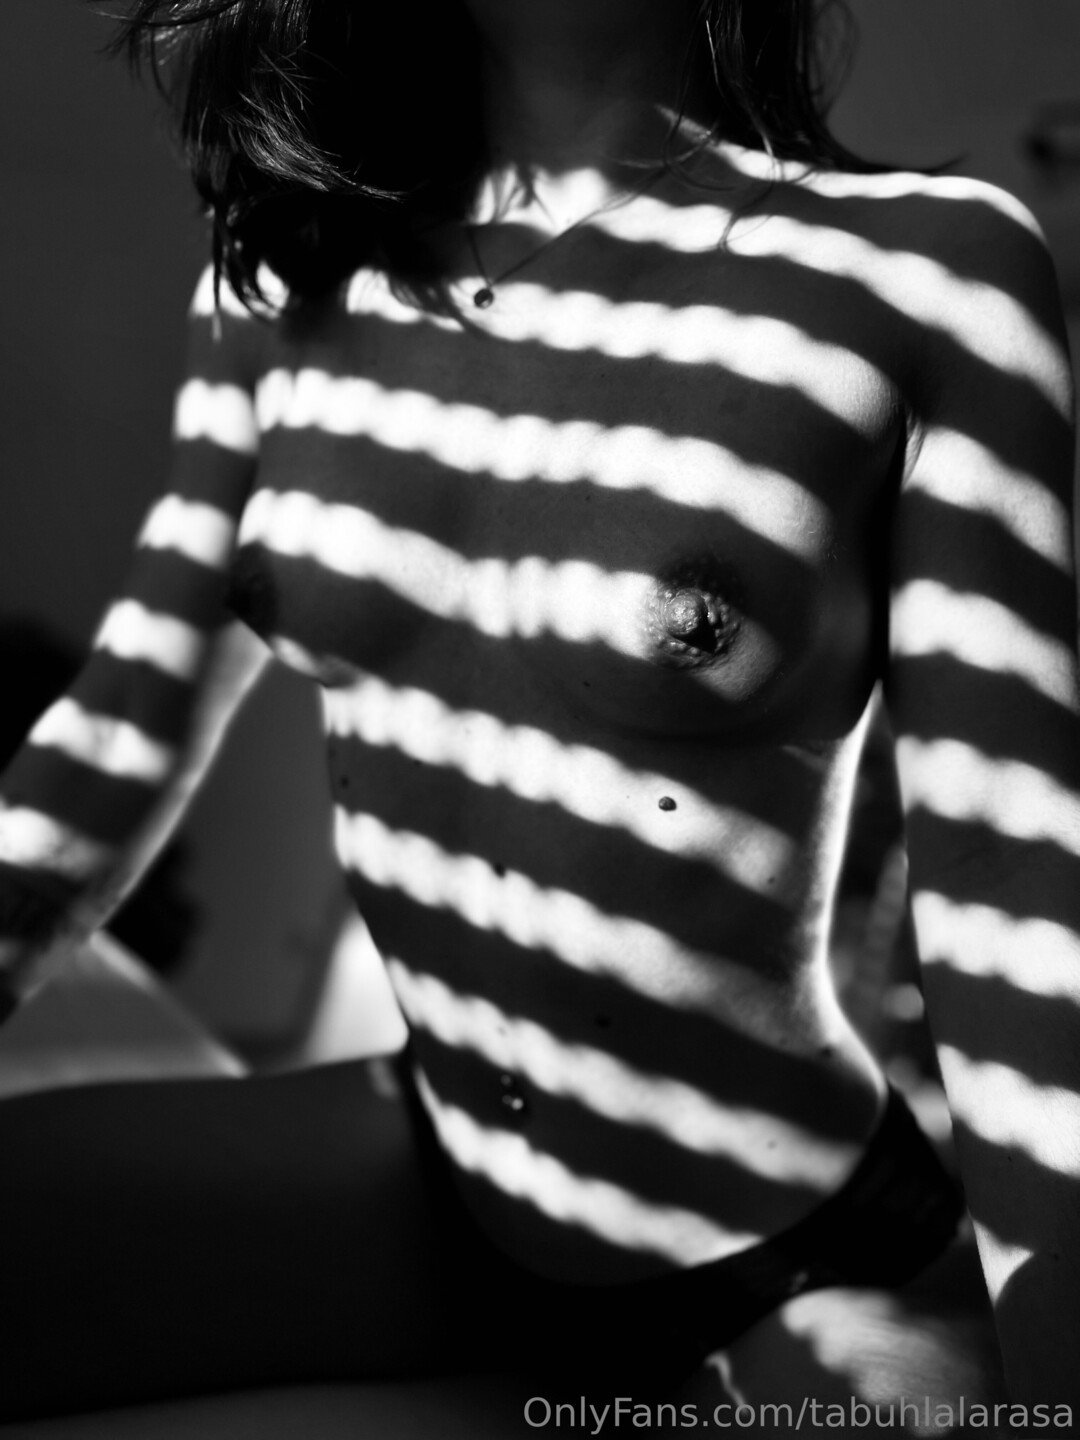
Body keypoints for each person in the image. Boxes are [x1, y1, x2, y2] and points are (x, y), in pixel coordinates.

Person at [0, 0, 1077, 1430]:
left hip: (786, 1253)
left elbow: (1013, 881)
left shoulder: (924, 277)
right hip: (437, 1176)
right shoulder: (283, 280)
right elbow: (125, 717)